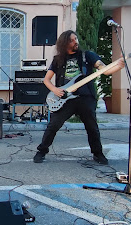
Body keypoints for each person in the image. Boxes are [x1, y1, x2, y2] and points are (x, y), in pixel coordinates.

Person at [33, 30, 125, 165]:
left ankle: (98, 154)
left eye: (76, 39)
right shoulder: (58, 59)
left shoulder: (88, 56)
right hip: (65, 99)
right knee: (53, 126)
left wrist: (119, 66)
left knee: (92, 127)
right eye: (71, 40)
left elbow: (105, 70)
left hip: (85, 97)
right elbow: (46, 80)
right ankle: (41, 151)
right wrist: (55, 90)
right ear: (64, 43)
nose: (75, 42)